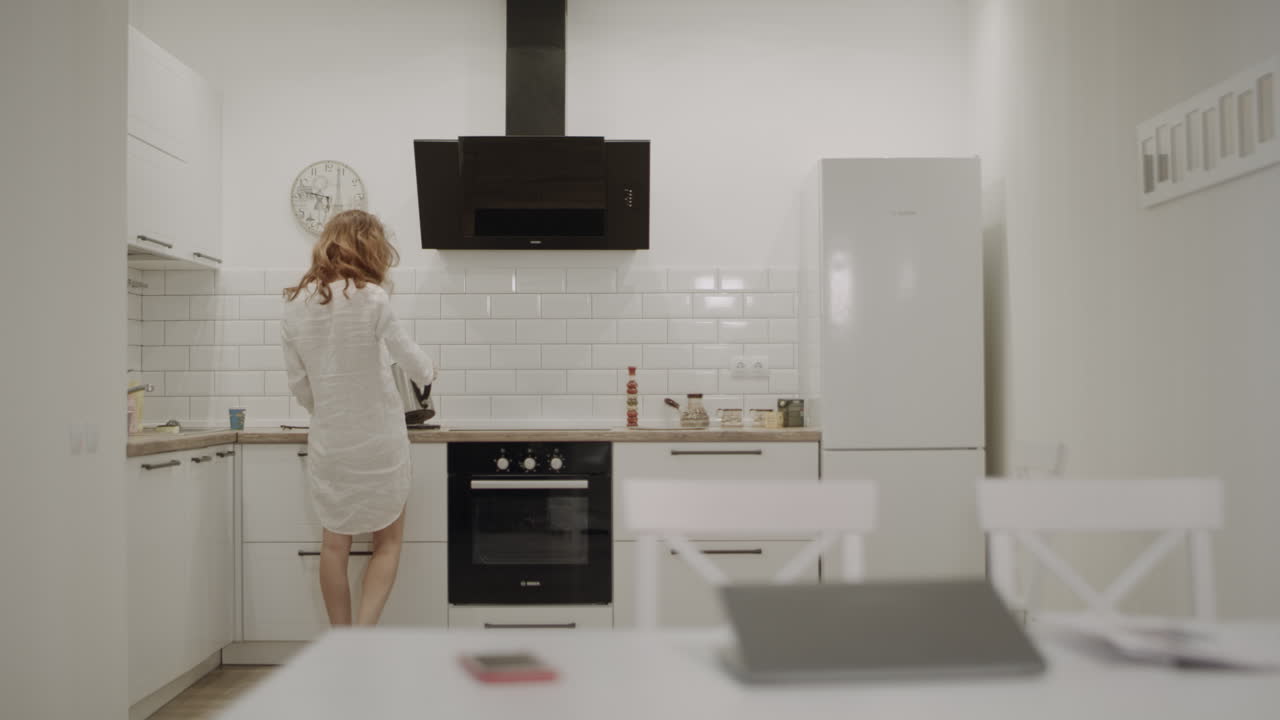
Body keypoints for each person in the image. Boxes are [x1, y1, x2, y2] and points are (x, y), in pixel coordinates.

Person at [280, 209, 435, 626]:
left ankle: (343, 642)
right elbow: (413, 362)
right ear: (371, 248)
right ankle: (363, 640)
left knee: (334, 544)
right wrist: (429, 372)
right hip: (380, 442)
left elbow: (299, 384)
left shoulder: (295, 306)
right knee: (388, 541)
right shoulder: (372, 297)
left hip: (331, 443)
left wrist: (328, 410)